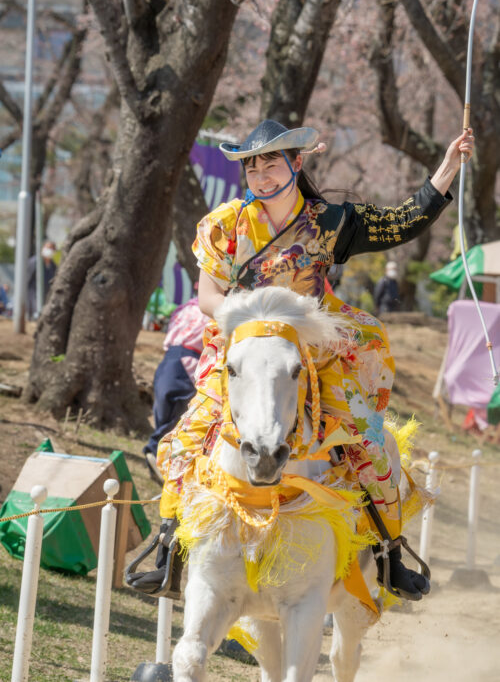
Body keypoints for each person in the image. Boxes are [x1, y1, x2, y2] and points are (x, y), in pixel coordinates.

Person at [144, 119, 474, 601]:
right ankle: (167, 544)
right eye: (252, 169)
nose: (261, 177)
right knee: (186, 436)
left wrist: (448, 166)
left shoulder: (329, 220)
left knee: (371, 439)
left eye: (271, 164)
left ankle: (389, 552)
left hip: (315, 353)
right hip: (244, 351)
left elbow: (401, 222)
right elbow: (208, 297)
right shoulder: (224, 224)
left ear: (295, 164)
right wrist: (246, 318)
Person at [143, 297, 210, 484]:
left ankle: (160, 453)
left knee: (166, 408)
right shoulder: (213, 310)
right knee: (180, 410)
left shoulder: (184, 308)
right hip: (189, 362)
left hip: (169, 359)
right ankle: (158, 451)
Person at [27, 241, 57, 320]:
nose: (50, 250)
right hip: (33, 297)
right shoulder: (34, 262)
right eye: (48, 247)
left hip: (46, 297)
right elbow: (26, 280)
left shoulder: (53, 265)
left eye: (52, 248)